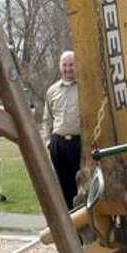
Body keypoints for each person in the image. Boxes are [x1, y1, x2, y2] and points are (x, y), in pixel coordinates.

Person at [43, 50, 82, 210]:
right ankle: (69, 221)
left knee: (81, 184)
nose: (68, 69)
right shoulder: (52, 91)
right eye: (64, 65)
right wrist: (48, 141)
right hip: (58, 145)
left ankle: (83, 220)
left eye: (71, 65)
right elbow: (47, 119)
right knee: (63, 185)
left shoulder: (84, 88)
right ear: (60, 67)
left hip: (79, 144)